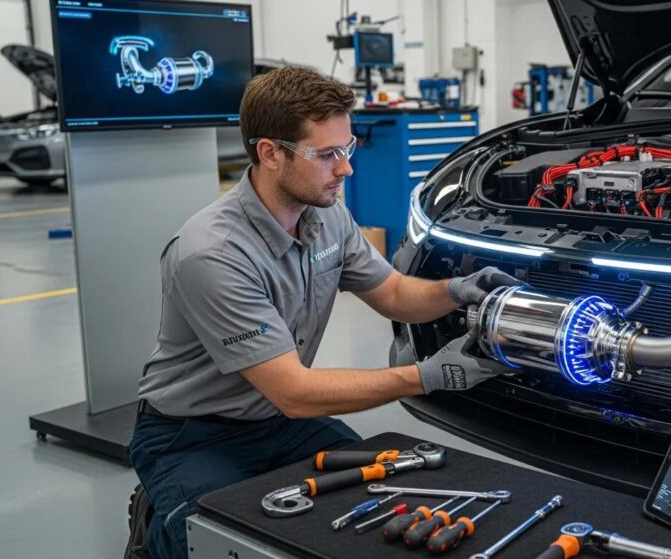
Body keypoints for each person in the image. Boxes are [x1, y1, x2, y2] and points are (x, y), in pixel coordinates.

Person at [125, 66, 521, 559]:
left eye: (347, 148)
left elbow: (394, 293)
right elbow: (294, 390)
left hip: (280, 420)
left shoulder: (327, 214)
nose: (346, 168)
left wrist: (457, 290)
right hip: (193, 434)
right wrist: (427, 376)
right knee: (210, 540)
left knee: (387, 496)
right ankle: (158, 529)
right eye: (328, 153)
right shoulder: (214, 253)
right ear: (270, 152)